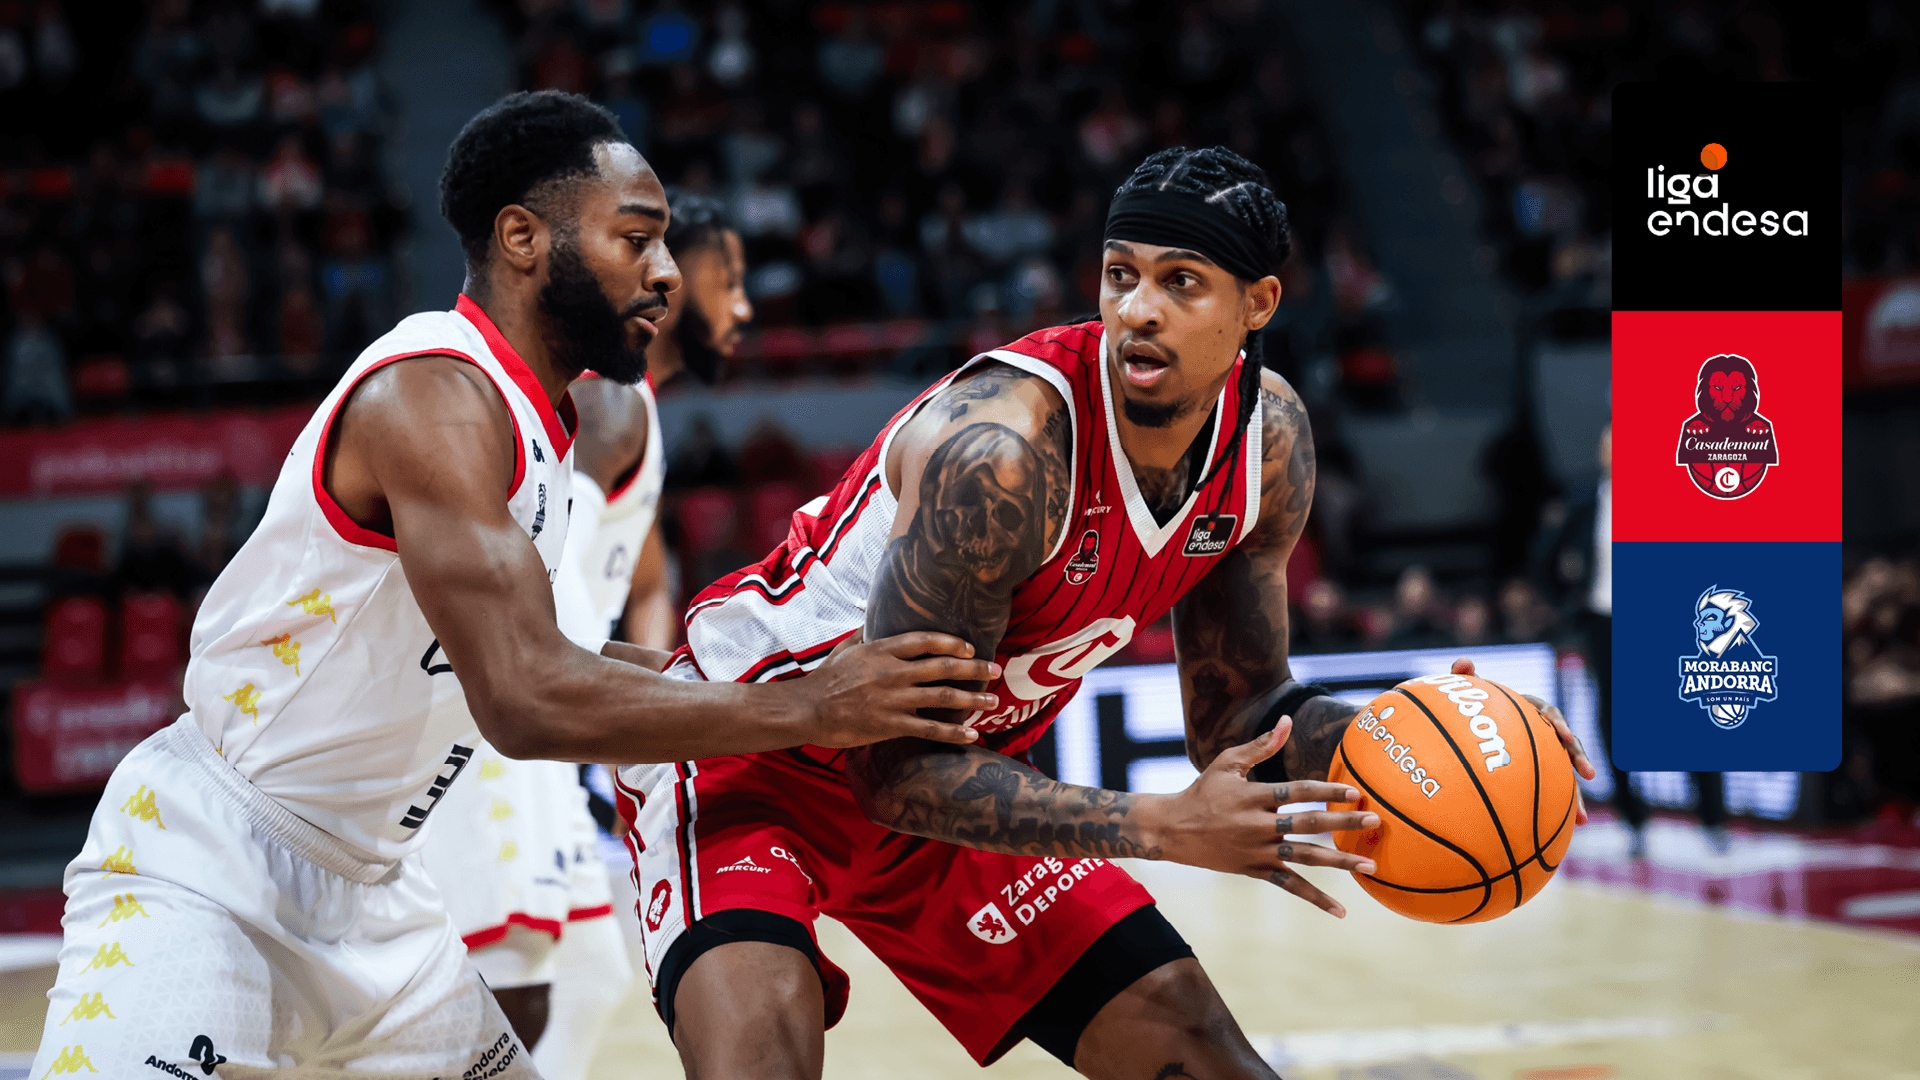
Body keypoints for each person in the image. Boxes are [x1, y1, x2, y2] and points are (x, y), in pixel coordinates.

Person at [29, 90, 1000, 1080]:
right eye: (636, 239)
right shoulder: (434, 396)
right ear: (523, 238)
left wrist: (800, 672)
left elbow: (557, 646)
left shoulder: (541, 425)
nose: (667, 272)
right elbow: (527, 696)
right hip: (216, 860)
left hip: (379, 897)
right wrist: (810, 707)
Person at [618, 146, 1597, 1079]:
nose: (1138, 309)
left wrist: (1419, 732)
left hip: (956, 786)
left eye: (1182, 282)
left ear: (1258, 303)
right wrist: (1161, 827)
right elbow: (894, 771)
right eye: (1120, 274)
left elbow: (1242, 715)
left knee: (1214, 1062)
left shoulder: (1267, 445)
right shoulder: (999, 453)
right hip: (756, 762)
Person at [417, 188, 756, 1080]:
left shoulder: (634, 412)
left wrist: (641, 695)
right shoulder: (609, 405)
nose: (743, 306)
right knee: (515, 981)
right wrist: (620, 706)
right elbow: (539, 562)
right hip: (502, 717)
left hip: (549, 710)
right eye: (728, 278)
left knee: (591, 969)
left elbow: (643, 580)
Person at [1539, 421, 1726, 857]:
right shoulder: (1586, 503)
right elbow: (1545, 559)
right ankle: (1634, 820)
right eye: (1608, 446)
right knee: (1614, 720)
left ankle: (1713, 819)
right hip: (1604, 621)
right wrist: (1568, 601)